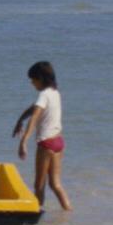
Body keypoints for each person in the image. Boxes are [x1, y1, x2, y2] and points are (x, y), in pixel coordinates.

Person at [13, 61, 72, 210]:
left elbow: (35, 117)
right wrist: (20, 119)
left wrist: (23, 142)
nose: (32, 83)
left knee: (39, 186)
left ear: (40, 78)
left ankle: (36, 216)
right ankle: (68, 212)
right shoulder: (55, 93)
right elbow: (34, 108)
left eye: (33, 80)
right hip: (59, 142)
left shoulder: (43, 95)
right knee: (55, 184)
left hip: (46, 144)